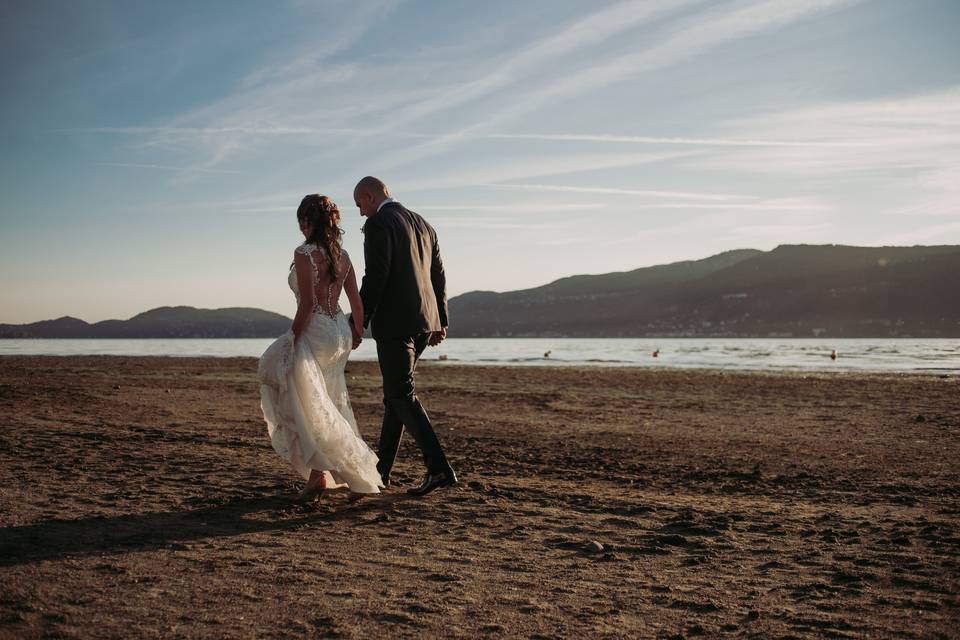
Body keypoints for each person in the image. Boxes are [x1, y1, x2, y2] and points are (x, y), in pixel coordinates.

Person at [258, 194, 382, 501]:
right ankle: (323, 476)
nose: (300, 228)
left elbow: (309, 304)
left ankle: (318, 475)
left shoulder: (305, 253)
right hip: (338, 329)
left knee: (305, 401)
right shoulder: (344, 255)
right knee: (326, 399)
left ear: (307, 221)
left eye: (301, 221)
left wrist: (291, 338)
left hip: (314, 328)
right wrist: (355, 331)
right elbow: (356, 301)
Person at [353, 176, 457, 497]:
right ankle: (380, 471)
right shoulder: (424, 224)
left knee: (400, 395)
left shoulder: (379, 223)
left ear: (371, 197)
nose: (360, 214)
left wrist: (360, 319)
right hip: (423, 322)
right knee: (395, 396)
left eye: (360, 205)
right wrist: (440, 320)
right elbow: (438, 274)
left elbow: (377, 275)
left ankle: (438, 467)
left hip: (395, 324)